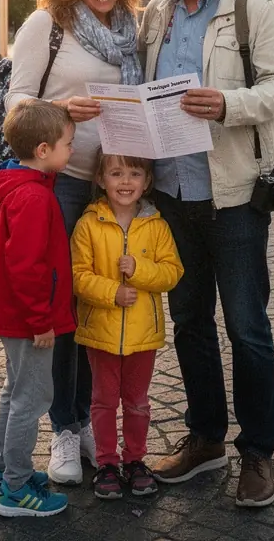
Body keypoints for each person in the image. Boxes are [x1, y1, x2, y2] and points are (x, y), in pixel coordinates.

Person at [137, 0, 274, 507]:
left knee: (247, 328)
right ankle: (206, 440)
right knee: (189, 323)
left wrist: (227, 103)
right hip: (173, 195)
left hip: (233, 196)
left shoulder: (256, 6)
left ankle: (258, 453)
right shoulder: (156, 13)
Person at [6, 0, 143, 484]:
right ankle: (63, 428)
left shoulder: (133, 27)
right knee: (62, 308)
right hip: (61, 183)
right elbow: (16, 101)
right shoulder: (47, 24)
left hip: (113, 183)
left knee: (99, 307)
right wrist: (61, 108)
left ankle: (88, 419)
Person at [0, 100, 76, 518]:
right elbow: (29, 268)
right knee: (31, 398)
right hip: (28, 319)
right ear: (43, 150)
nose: (72, 150)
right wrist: (42, 321)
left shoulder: (14, 185)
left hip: (10, 314)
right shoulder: (34, 198)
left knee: (14, 392)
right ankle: (14, 488)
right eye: (68, 144)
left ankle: (1, 469)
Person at [71, 154, 183, 501]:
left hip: (142, 337)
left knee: (136, 402)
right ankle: (106, 463)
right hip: (101, 333)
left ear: (147, 181)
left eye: (134, 173)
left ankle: (135, 460)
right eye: (116, 173)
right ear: (101, 179)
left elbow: (172, 273)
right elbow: (78, 275)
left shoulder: (157, 226)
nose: (125, 181)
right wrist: (111, 293)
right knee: (103, 401)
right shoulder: (89, 224)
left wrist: (139, 270)